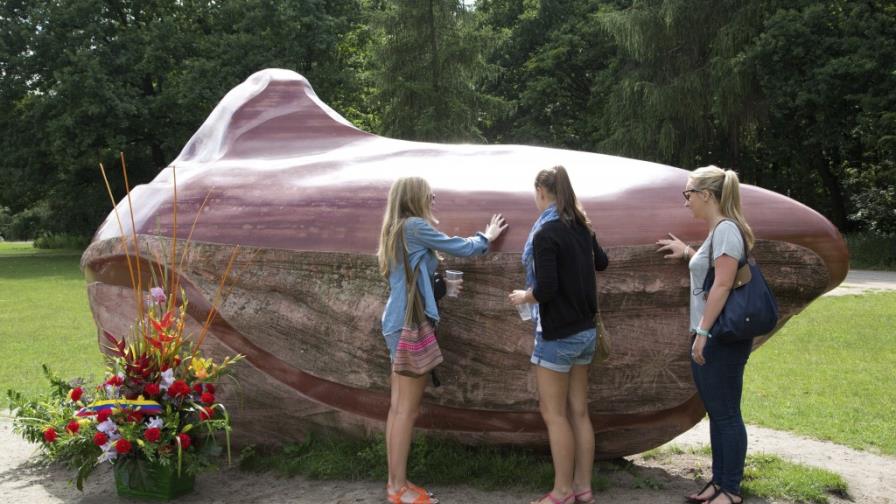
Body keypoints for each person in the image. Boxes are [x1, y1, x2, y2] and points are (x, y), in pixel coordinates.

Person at [377, 176, 507, 504]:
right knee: (406, 410)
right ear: (414, 197)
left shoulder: (397, 228)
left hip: (398, 322)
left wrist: (441, 291)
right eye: (429, 194)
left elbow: (412, 275)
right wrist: (486, 237)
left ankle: (397, 483)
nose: (433, 198)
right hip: (409, 325)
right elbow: (458, 246)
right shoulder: (414, 226)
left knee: (398, 409)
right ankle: (397, 489)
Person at [509, 166, 608, 504]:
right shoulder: (581, 227)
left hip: (558, 336)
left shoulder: (545, 234)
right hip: (585, 333)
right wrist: (589, 233)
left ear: (541, 191)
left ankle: (562, 492)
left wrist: (524, 297)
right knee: (579, 411)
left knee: (554, 415)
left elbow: (546, 289)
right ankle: (583, 487)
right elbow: (603, 263)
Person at [656, 165, 754, 504]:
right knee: (718, 410)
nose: (686, 202)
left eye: (689, 194)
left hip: (719, 337)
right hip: (712, 335)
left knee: (726, 412)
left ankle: (731, 489)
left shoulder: (726, 230)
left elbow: (724, 283)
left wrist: (702, 332)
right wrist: (688, 252)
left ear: (707, 195)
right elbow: (711, 270)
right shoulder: (719, 231)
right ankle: (719, 482)